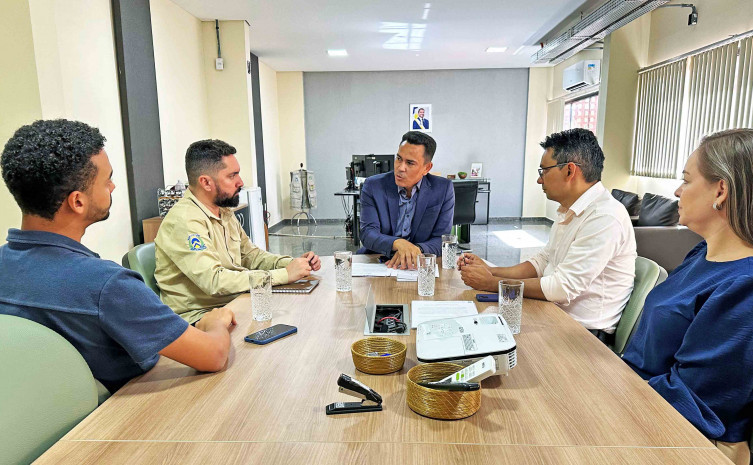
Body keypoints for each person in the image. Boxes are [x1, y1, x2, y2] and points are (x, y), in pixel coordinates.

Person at [0, 119, 235, 393]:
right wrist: (215, 323)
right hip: (132, 406)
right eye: (107, 180)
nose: (112, 187)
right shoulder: (107, 285)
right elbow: (214, 355)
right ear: (78, 201)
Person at [622, 129, 753, 465]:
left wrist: (610, 387)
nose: (677, 191)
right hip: (636, 399)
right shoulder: (700, 254)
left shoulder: (744, 286)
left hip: (671, 434)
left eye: (686, 180)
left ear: (721, 190)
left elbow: (695, 403)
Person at [459, 129, 636, 339]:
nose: (539, 180)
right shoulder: (570, 209)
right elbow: (543, 262)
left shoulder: (604, 217)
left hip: (582, 333)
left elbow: (562, 287)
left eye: (544, 171)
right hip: (554, 313)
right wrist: (491, 271)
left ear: (569, 171)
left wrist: (490, 283)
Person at [155, 139, 321, 324]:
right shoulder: (184, 220)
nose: (240, 182)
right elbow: (215, 281)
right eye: (232, 175)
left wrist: (292, 264)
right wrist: (284, 275)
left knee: (303, 314)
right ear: (206, 182)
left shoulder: (223, 210)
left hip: (233, 302)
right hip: (199, 318)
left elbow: (251, 256)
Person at [358, 131, 454, 269]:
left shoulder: (443, 189)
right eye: (399, 158)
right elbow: (368, 233)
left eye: (410, 163)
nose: (400, 168)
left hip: (418, 264)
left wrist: (414, 250)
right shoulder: (373, 186)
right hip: (378, 261)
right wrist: (398, 243)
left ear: (426, 168)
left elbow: (442, 239)